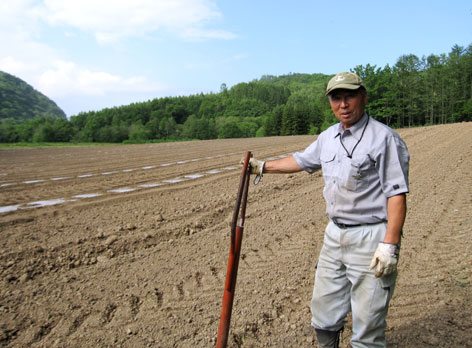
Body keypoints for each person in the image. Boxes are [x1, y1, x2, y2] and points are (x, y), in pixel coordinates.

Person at [247, 72, 409, 348]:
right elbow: (301, 160)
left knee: (368, 321)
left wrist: (389, 244)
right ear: (331, 102)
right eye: (336, 98)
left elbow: (396, 194)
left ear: (363, 97)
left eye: (350, 96)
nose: (343, 104)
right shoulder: (328, 137)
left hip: (370, 238)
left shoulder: (383, 138)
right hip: (334, 235)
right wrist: (263, 166)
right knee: (323, 310)